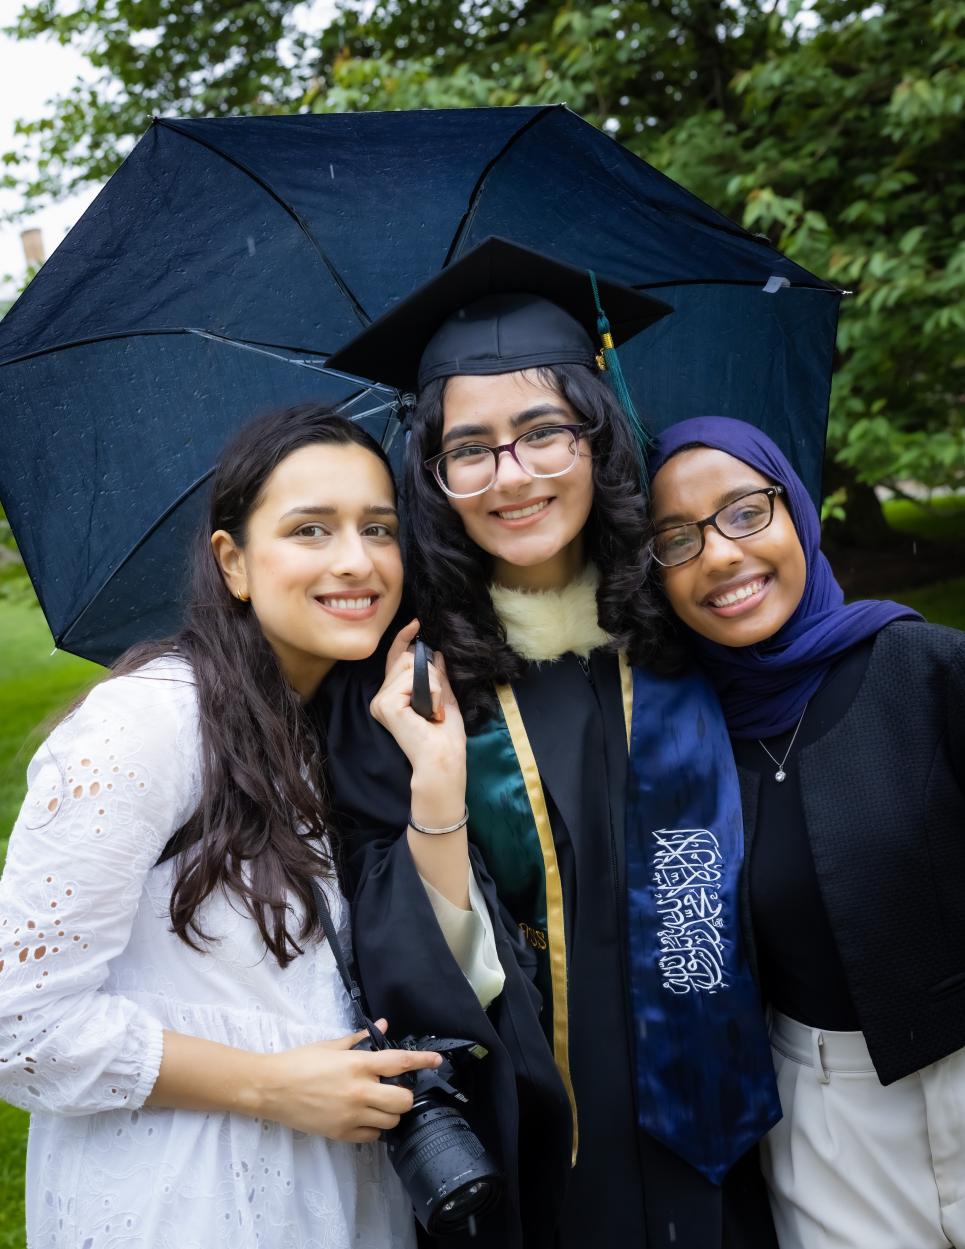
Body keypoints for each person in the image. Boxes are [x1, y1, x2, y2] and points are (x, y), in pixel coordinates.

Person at [322, 238, 781, 1249]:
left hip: (734, 1127)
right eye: (469, 449)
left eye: (543, 434)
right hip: (539, 1152)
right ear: (432, 471)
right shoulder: (406, 686)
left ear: (597, 435)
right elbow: (383, 953)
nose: (512, 476)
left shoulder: (689, 630)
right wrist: (436, 793)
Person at [0, 404, 503, 1249]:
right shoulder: (147, 725)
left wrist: (436, 776)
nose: (357, 560)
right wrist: (270, 1083)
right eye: (311, 528)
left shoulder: (323, 734)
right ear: (232, 562)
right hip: (184, 1197)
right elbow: (20, 1025)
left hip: (325, 1194)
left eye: (378, 528)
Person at [648, 415, 965, 1249]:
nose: (719, 555)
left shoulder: (928, 671)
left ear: (796, 511)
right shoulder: (678, 749)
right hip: (824, 1124)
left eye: (745, 512)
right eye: (674, 538)